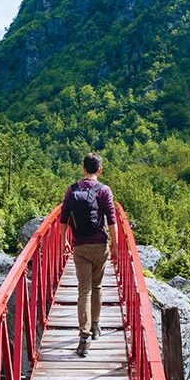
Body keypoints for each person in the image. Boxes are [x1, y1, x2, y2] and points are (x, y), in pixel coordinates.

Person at [60, 152, 118, 357]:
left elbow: (63, 217)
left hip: (79, 246)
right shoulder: (104, 190)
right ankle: (96, 326)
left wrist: (64, 240)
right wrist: (116, 245)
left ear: (83, 169)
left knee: (83, 290)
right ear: (100, 170)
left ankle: (83, 338)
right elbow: (112, 219)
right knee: (97, 286)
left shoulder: (72, 189)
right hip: (100, 245)